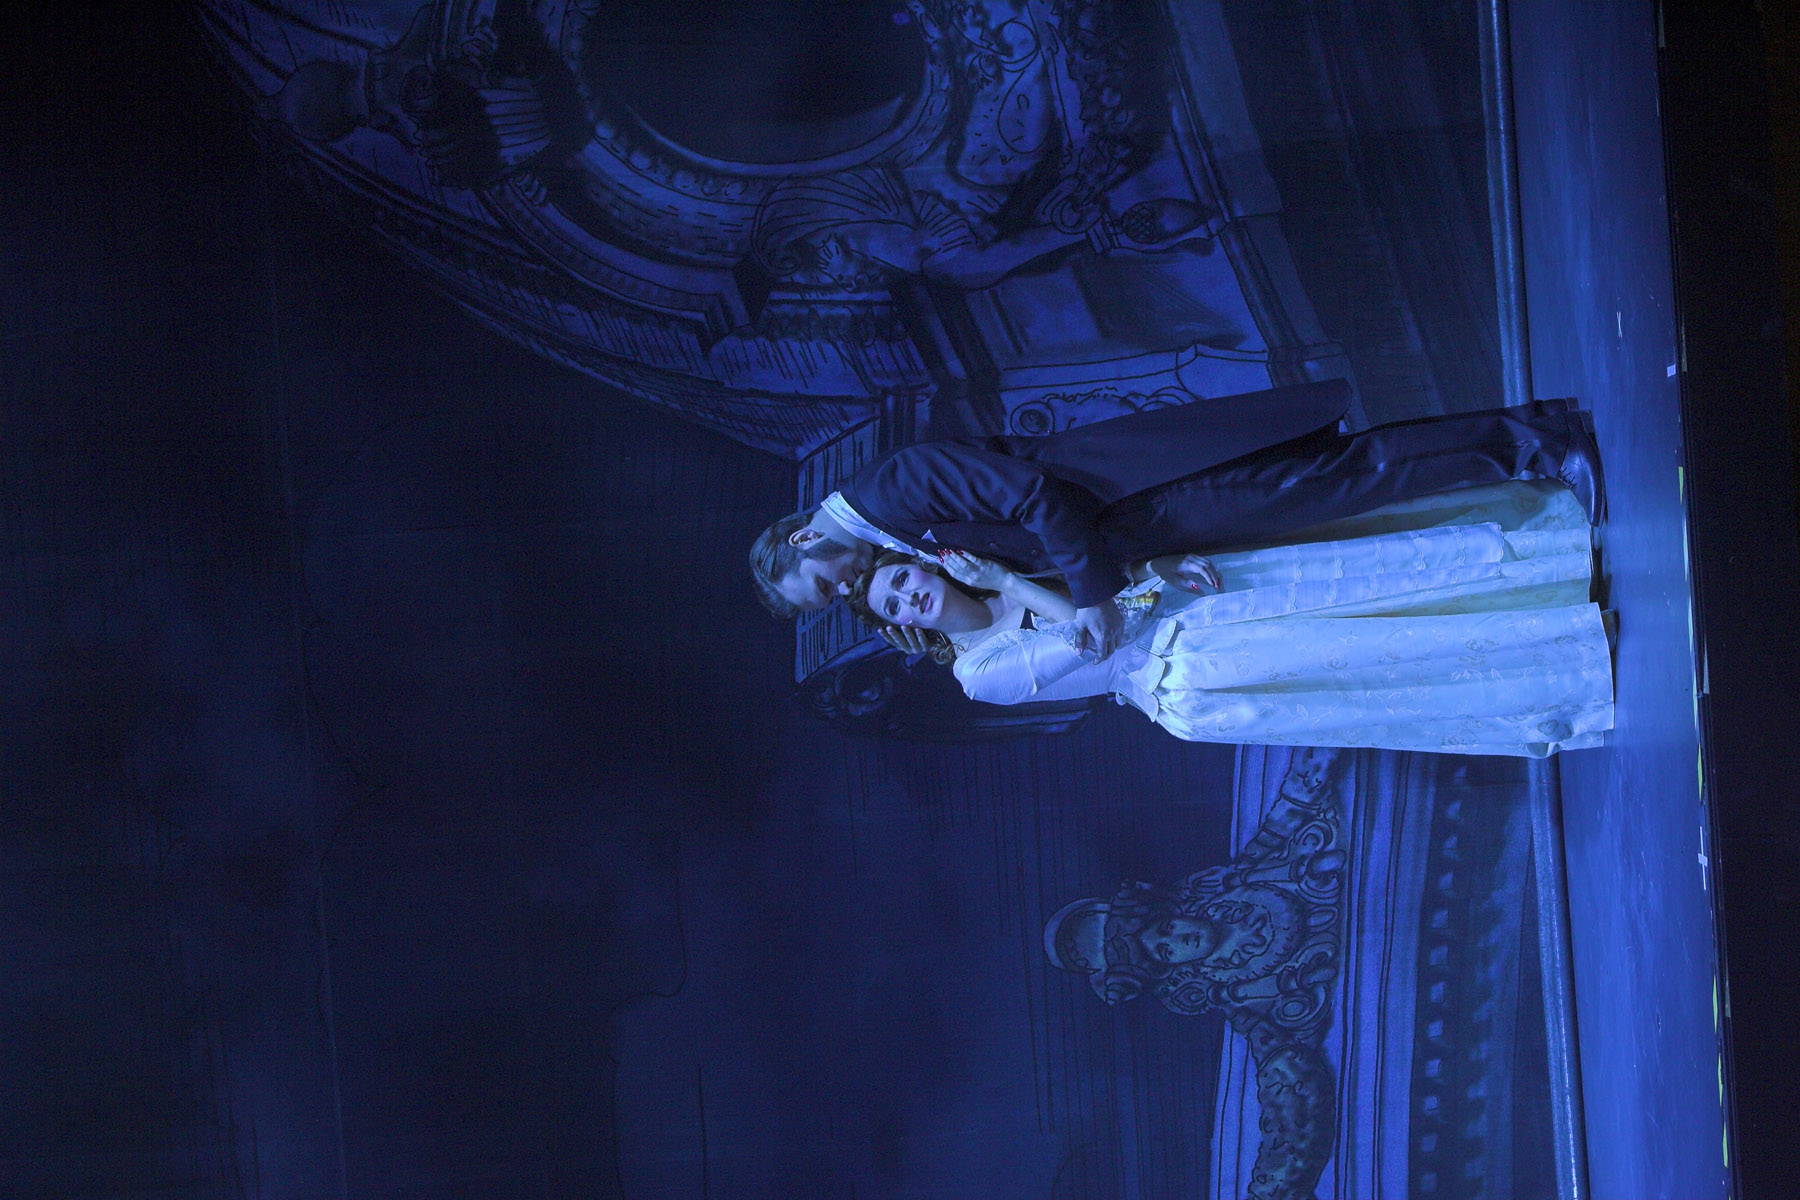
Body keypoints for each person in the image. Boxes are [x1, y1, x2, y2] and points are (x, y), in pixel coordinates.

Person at [748, 380, 1605, 661]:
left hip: (1151, 490)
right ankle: (1535, 442)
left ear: (804, 540)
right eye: (833, 600)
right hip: (1149, 524)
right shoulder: (889, 527)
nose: (846, 591)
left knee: (1348, 479)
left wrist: (1094, 596)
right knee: (1345, 486)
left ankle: (1543, 439)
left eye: (825, 584)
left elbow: (1031, 496)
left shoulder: (891, 487)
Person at [843, 480, 1616, 757]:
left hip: (1188, 608)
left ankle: (1549, 577)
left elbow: (1114, 586)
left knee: (1358, 583)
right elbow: (1092, 637)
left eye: (902, 580)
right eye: (895, 606)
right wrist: (1010, 579)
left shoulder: (997, 568)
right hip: (1190, 672)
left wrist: (1156, 571)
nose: (910, 596)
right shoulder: (980, 676)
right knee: (1375, 650)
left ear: (922, 565)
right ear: (905, 628)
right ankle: (1566, 653)